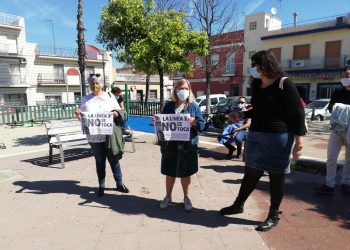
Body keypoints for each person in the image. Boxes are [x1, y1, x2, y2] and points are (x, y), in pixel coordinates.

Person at [219, 50, 305, 232]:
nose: (254, 69)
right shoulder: (257, 85)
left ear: (266, 65)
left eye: (256, 64)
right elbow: (258, 110)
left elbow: (298, 114)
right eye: (253, 65)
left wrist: (298, 143)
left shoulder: (284, 83)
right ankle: (238, 205)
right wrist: (240, 114)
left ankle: (273, 215)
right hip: (256, 135)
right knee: (250, 173)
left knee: (276, 176)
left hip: (279, 137)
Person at [152, 79, 204, 211]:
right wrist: (156, 122)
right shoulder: (169, 106)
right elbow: (162, 124)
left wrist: (194, 122)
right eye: (181, 88)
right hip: (170, 146)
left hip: (188, 146)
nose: (183, 91)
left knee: (186, 173)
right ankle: (168, 196)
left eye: (186, 88)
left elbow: (202, 125)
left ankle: (186, 197)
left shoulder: (193, 106)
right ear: (175, 90)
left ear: (190, 90)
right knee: (170, 172)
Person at [74, 74, 129, 197]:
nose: (95, 85)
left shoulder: (110, 96)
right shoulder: (85, 99)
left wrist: (116, 113)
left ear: (102, 84)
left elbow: (120, 112)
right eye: (92, 83)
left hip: (110, 135)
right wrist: (78, 115)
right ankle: (101, 185)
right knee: (100, 161)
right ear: (89, 85)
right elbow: (84, 119)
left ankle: (119, 183)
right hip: (94, 137)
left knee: (114, 160)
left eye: (97, 83)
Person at [314, 67, 350, 195]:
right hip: (336, 129)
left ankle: (346, 183)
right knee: (331, 157)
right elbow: (330, 109)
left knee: (349, 159)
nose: (345, 78)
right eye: (343, 76)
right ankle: (329, 184)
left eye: (348, 75)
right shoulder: (337, 93)